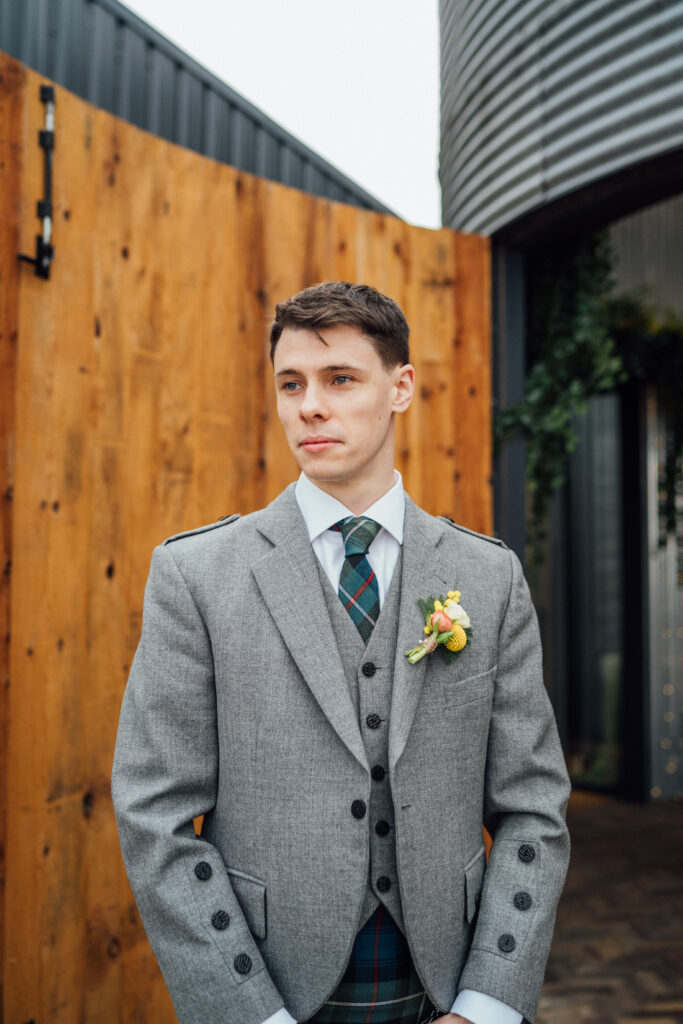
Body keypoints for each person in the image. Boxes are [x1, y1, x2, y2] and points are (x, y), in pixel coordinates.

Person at [111, 281, 570, 1024]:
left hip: (444, 986)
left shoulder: (487, 577)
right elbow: (153, 814)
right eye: (290, 384)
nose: (309, 406)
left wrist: (488, 1001)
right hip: (268, 985)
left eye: (340, 380)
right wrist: (247, 1011)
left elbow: (532, 808)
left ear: (400, 387)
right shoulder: (197, 575)